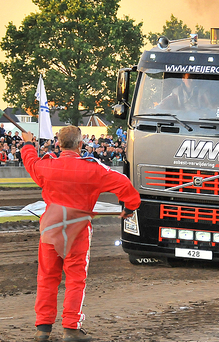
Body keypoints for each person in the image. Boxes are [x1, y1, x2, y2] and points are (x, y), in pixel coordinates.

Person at [21, 125, 140, 342]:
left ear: (58, 143)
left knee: (47, 278)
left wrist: (28, 143)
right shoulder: (93, 168)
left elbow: (30, 163)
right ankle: (71, 328)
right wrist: (130, 206)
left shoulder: (46, 165)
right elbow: (122, 182)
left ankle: (43, 328)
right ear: (80, 145)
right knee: (76, 280)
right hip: (77, 231)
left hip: (50, 230)